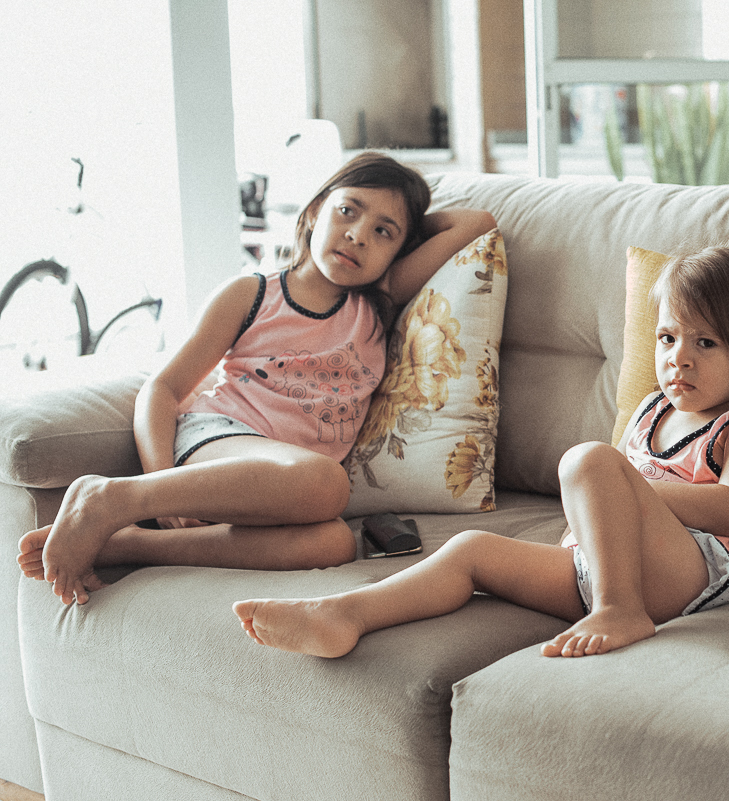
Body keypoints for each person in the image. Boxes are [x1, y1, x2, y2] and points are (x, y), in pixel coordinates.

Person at [233, 246, 729, 659]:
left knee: (588, 460)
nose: (679, 359)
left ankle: (620, 611)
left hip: (696, 570)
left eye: (705, 342)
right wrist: (601, 520)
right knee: (471, 550)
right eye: (667, 338)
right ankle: (343, 614)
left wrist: (625, 491)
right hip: (605, 568)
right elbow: (609, 508)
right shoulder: (652, 411)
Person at [17, 152, 496, 606]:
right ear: (314, 211)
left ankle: (129, 546)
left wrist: (409, 229)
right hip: (219, 439)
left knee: (332, 543)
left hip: (286, 489)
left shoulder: (378, 301)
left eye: (382, 232)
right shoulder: (252, 295)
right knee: (327, 484)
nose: (357, 235)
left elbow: (476, 222)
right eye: (347, 211)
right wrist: (158, 483)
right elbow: (161, 389)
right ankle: (108, 497)